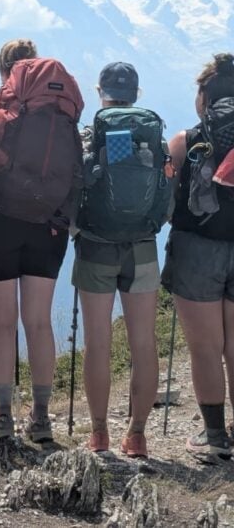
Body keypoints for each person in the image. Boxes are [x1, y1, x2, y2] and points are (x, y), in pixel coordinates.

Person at [0, 39, 83, 442]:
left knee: (3, 323)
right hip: (48, 224)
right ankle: (40, 417)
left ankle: (3, 416)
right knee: (38, 321)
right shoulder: (61, 109)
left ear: (6, 74)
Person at [73, 62, 172, 458]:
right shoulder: (153, 137)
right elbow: (166, 193)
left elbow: (77, 185)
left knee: (98, 343)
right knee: (143, 343)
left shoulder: (91, 135)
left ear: (101, 92)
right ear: (136, 93)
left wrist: (76, 228)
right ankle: (138, 435)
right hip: (143, 248)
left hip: (96, 245)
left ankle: (99, 435)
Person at [162, 53, 234, 459]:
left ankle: (214, 437)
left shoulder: (185, 141)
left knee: (206, 347)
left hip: (196, 250)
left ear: (205, 95)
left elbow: (168, 203)